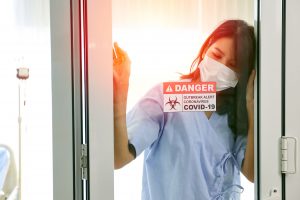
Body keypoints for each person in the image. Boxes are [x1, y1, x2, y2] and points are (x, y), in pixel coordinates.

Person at [113, 19, 256, 200]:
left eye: (232, 65)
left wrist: (252, 107)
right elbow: (119, 158)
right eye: (217, 55)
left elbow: (252, 173)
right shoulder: (168, 97)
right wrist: (119, 97)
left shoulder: (233, 115)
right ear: (205, 50)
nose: (221, 67)